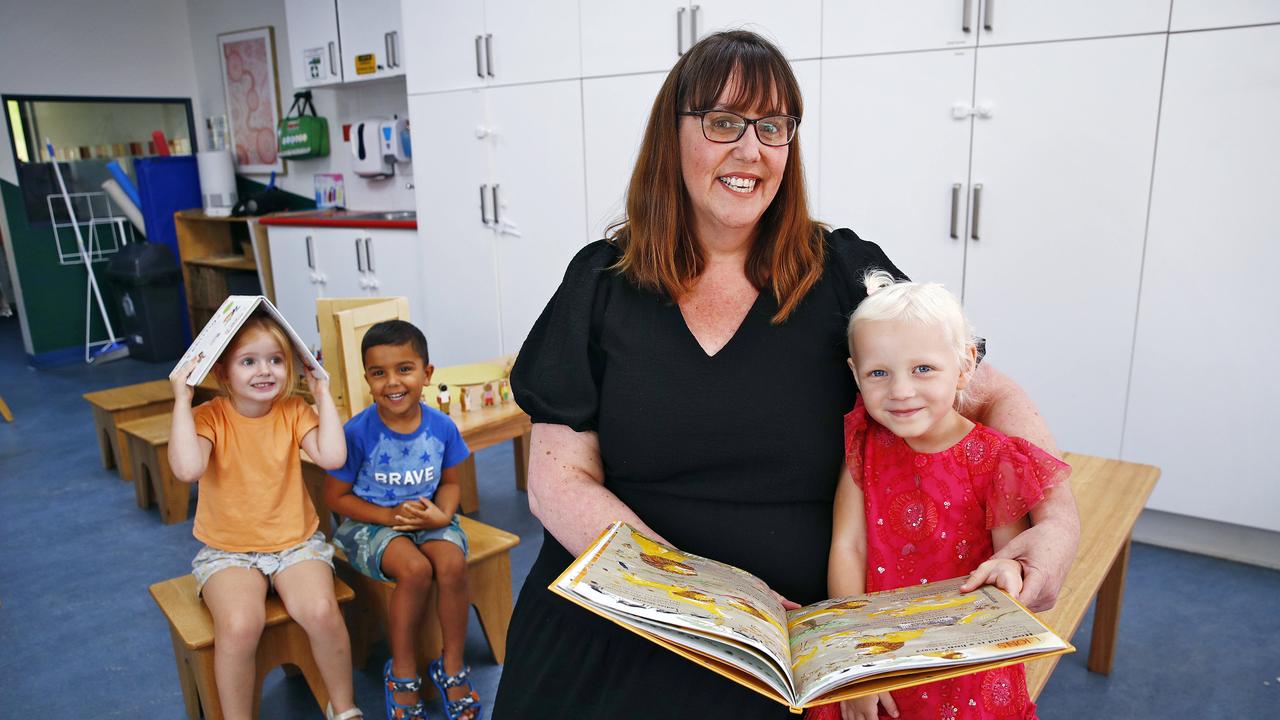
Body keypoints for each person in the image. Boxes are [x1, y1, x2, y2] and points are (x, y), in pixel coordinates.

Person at [491, 30, 1079, 720]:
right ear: (670, 134)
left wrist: (1059, 523)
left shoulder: (841, 274)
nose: (751, 150)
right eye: (722, 122)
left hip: (796, 632)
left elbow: (989, 390)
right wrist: (708, 599)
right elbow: (558, 481)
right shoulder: (600, 280)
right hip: (628, 613)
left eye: (773, 126)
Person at [806, 272, 1070, 720]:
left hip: (964, 668)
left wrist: (1009, 570)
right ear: (855, 374)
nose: (901, 391)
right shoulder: (864, 444)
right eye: (879, 373)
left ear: (966, 364)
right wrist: (854, 658)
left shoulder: (996, 458)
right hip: (879, 650)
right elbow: (848, 547)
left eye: (923, 369)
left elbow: (1007, 561)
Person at [167, 312, 361, 720]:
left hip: (295, 545)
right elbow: (186, 469)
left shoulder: (293, 410)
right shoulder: (211, 417)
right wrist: (182, 401)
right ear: (222, 371)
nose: (264, 371)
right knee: (239, 626)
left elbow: (333, 456)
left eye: (275, 359)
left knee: (322, 612)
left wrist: (322, 395)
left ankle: (343, 708)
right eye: (248, 361)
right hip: (229, 552)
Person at [322, 320, 479, 720]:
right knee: (414, 570)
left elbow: (450, 483)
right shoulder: (357, 433)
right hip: (369, 524)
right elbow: (335, 498)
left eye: (404, 369)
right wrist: (387, 516)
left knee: (452, 563)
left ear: (427, 374)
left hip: (428, 517)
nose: (393, 382)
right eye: (379, 373)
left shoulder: (442, 427)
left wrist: (443, 514)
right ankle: (403, 672)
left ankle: (452, 665)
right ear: (367, 379)